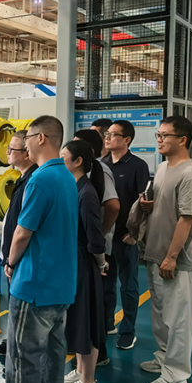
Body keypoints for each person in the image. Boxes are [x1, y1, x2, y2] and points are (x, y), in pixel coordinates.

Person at [0, 115, 77, 383]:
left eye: (27, 138)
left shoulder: (39, 180)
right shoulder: (66, 176)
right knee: (53, 352)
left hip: (34, 285)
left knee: (23, 359)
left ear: (40, 138)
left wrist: (10, 263)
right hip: (61, 283)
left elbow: (23, 233)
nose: (23, 144)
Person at [126, 115, 192, 383]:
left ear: (182, 140)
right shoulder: (161, 168)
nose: (159, 139)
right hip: (155, 252)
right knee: (159, 314)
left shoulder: (189, 174)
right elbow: (164, 206)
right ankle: (163, 359)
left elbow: (187, 218)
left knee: (177, 319)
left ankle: (176, 374)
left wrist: (172, 257)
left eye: (164, 135)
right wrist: (148, 206)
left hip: (174, 260)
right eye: (158, 134)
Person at [60, 140, 108, 383]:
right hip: (74, 261)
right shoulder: (74, 188)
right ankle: (80, 371)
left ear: (77, 162)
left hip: (84, 263)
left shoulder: (86, 193)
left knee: (87, 321)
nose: (60, 161)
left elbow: (94, 237)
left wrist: (100, 263)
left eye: (63, 157)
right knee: (78, 319)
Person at [101, 120, 150, 352]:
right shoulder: (101, 164)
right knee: (106, 284)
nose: (107, 137)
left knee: (128, 286)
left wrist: (135, 234)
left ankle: (128, 331)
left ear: (127, 140)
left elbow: (144, 205)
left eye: (112, 134)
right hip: (105, 236)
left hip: (125, 237)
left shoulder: (138, 166)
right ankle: (107, 323)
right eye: (106, 134)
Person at [73, 129, 120, 366]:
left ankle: (97, 356)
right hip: (91, 247)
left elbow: (113, 206)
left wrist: (99, 236)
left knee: (95, 304)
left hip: (96, 249)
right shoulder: (82, 179)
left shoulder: (98, 174)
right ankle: (85, 360)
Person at [0, 131, 37, 358]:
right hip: (14, 260)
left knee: (21, 309)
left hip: (19, 261)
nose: (7, 152)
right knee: (15, 308)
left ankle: (18, 355)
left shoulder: (33, 181)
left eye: (12, 148)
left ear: (27, 153)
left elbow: (23, 230)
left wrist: (11, 260)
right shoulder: (22, 178)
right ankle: (13, 344)